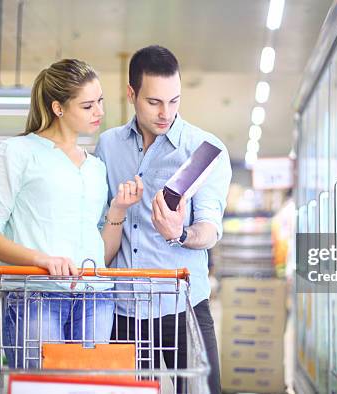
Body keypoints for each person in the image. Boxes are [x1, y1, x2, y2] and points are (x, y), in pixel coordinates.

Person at [0, 59, 143, 368]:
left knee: (91, 390)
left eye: (101, 101)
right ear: (58, 108)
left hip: (96, 296)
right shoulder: (16, 152)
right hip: (36, 295)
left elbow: (101, 252)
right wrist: (41, 259)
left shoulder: (95, 168)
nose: (100, 112)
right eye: (88, 105)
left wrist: (118, 209)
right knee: (39, 387)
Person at [95, 45, 231, 393]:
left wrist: (181, 234)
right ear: (131, 94)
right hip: (124, 306)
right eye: (154, 102)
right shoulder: (108, 146)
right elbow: (99, 223)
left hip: (183, 304)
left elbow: (210, 227)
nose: (165, 113)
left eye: (174, 101)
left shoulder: (203, 148)